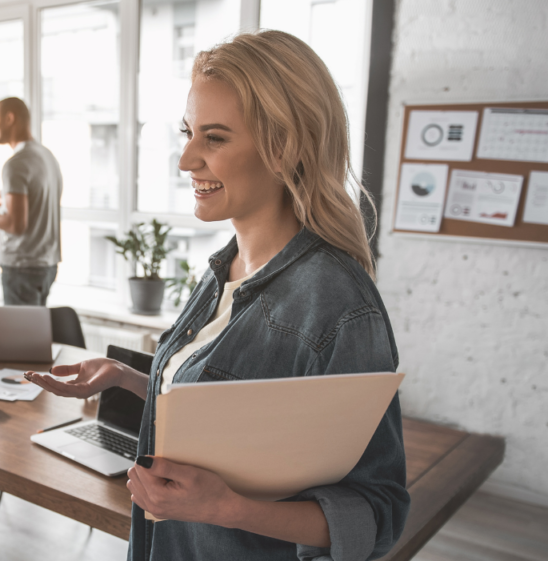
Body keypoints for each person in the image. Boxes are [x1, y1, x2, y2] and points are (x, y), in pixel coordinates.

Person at [26, 30, 410, 561]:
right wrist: (129, 378)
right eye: (188, 132)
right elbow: (228, 420)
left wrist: (227, 508)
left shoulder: (340, 309)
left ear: (285, 147)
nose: (186, 159)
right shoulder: (221, 269)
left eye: (214, 138)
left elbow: (377, 513)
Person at [0, 97, 63, 306]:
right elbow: (34, 210)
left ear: (9, 118)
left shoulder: (15, 164)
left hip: (22, 267)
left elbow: (16, 224)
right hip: (47, 265)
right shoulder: (47, 156)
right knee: (34, 334)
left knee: (20, 338)